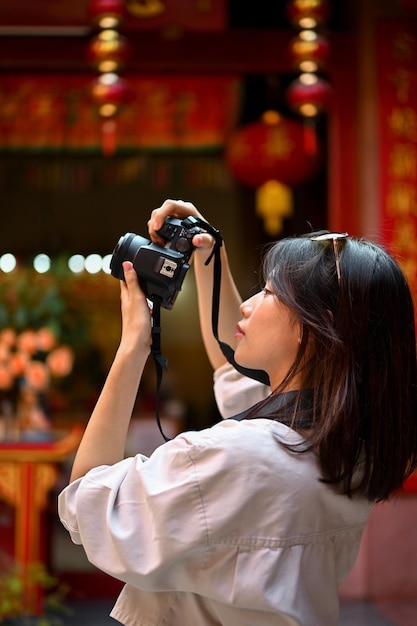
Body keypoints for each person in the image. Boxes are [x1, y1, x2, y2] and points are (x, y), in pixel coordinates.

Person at [58, 199, 417, 626]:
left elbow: (87, 501)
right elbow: (234, 370)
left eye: (267, 291)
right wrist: (210, 252)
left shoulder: (235, 457)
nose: (247, 304)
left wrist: (134, 344)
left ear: (313, 326)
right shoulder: (350, 445)